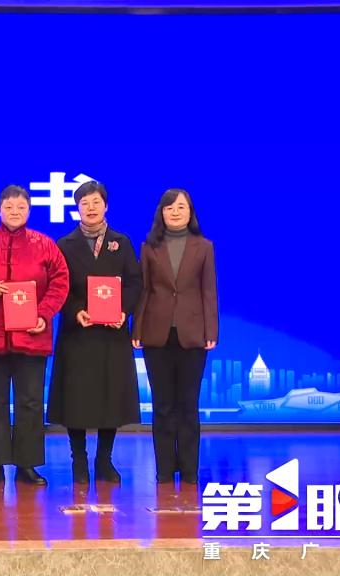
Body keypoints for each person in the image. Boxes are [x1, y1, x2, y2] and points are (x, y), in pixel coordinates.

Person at [0, 185, 69, 487]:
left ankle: (27, 464)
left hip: (32, 335)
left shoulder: (45, 244)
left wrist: (43, 314)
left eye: (21, 207)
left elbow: (60, 282)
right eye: (9, 207)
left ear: (29, 211)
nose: (15, 212)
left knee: (30, 402)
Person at [48, 180, 143, 484]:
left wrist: (123, 311)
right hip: (78, 332)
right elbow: (58, 286)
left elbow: (134, 283)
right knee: (76, 399)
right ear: (77, 208)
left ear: (106, 206)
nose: (90, 208)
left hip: (111, 333)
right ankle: (79, 460)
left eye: (96, 202)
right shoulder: (64, 244)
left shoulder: (121, 242)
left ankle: (104, 459)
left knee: (109, 397)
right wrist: (76, 310)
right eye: (84, 203)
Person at [132, 188, 218, 485]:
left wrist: (211, 330)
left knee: (188, 404)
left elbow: (209, 291)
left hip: (193, 333)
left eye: (181, 207)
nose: (175, 212)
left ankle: (190, 470)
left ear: (190, 212)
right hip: (156, 334)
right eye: (169, 207)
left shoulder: (204, 246)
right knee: (163, 405)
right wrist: (137, 328)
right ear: (162, 212)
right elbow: (144, 290)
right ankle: (165, 470)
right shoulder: (149, 247)